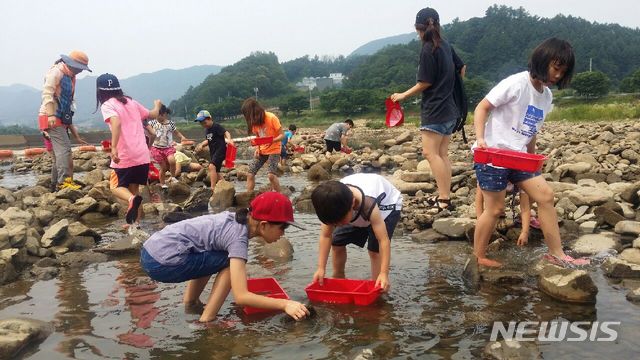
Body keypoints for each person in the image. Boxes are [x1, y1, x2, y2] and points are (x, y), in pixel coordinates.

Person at [473, 37, 589, 268]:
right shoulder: (516, 83)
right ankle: (479, 256)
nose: (557, 75)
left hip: (519, 158)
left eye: (562, 71)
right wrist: (480, 138)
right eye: (556, 68)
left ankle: (556, 253)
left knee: (545, 196)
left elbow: (531, 130)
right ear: (542, 61)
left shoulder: (547, 96)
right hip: (493, 155)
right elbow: (482, 106)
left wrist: (533, 158)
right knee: (495, 209)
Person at [140, 192, 310, 323]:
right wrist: (285, 304)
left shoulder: (234, 220)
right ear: (264, 225)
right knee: (227, 261)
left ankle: (191, 303)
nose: (283, 234)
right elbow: (241, 296)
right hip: (162, 262)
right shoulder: (238, 239)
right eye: (283, 228)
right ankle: (207, 320)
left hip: (150, 252)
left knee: (216, 256)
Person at [390, 8, 465, 212]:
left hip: (435, 109)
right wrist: (449, 84)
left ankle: (443, 198)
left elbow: (425, 82)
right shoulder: (446, 46)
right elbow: (462, 68)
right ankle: (445, 196)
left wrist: (403, 95)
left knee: (430, 154)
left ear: (418, 28)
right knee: (442, 154)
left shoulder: (427, 48)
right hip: (451, 108)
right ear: (437, 25)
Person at [311, 173, 403, 292]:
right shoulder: (331, 205)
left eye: (340, 221)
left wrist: (384, 273)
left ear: (353, 203)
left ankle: (378, 286)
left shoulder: (369, 205)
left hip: (386, 205)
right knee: (337, 242)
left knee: (374, 251)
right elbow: (326, 236)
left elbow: (383, 240)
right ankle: (338, 277)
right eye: (334, 224)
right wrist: (321, 268)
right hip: (351, 209)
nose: (337, 225)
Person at [96, 73, 162, 226]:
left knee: (115, 187)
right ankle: (135, 225)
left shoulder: (108, 105)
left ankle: (131, 201)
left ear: (100, 91)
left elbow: (116, 123)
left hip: (125, 155)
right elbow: (152, 114)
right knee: (135, 190)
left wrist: (113, 148)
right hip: (142, 155)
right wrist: (157, 105)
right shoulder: (131, 102)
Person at [38, 50, 92, 191]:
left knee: (59, 154)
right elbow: (47, 93)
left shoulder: (70, 76)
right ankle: (63, 183)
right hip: (51, 116)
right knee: (64, 150)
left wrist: (77, 136)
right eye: (80, 68)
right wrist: (50, 115)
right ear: (72, 64)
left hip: (61, 116)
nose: (81, 71)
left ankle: (55, 184)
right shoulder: (56, 72)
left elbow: (67, 103)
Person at [475, 183, 539, 247]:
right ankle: (498, 210)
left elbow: (525, 207)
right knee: (494, 208)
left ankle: (522, 217)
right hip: (495, 185)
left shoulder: (522, 177)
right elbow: (479, 197)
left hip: (513, 184)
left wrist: (525, 232)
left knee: (534, 190)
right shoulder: (488, 176)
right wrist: (480, 220)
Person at [241, 98, 284, 192]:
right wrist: (257, 148)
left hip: (274, 149)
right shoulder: (254, 123)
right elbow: (258, 138)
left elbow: (282, 135)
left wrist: (272, 140)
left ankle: (280, 196)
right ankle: (249, 197)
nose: (249, 119)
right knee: (250, 174)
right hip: (262, 150)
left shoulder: (271, 117)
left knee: (271, 175)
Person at [148, 105, 191, 188]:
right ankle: (162, 183)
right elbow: (146, 128)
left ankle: (173, 177)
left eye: (160, 115)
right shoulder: (152, 123)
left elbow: (176, 132)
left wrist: (182, 137)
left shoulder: (170, 123)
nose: (158, 117)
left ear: (164, 114)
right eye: (156, 115)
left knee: (172, 161)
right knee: (163, 167)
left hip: (167, 147)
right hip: (156, 148)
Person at [194, 110, 233, 191]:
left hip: (221, 150)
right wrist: (201, 144)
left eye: (204, 122)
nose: (203, 125)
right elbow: (208, 140)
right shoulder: (207, 130)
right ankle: (225, 186)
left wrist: (229, 140)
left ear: (210, 119)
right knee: (217, 172)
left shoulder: (216, 126)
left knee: (211, 166)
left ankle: (212, 188)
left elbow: (226, 133)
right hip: (213, 152)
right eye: (201, 123)